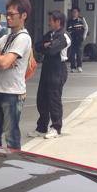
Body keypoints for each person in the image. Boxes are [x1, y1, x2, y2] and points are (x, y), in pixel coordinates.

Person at [0, 0, 33, 150]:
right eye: (7, 14)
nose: (8, 18)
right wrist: (2, 58)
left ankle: (14, 163)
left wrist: (0, 59)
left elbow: (3, 64)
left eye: (12, 14)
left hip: (13, 94)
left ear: (23, 15)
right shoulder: (5, 37)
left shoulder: (23, 38)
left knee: (11, 137)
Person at [30, 10, 70, 139]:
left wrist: (47, 46)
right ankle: (41, 127)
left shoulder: (64, 36)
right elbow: (37, 46)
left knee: (54, 99)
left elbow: (53, 50)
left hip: (58, 69)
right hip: (46, 68)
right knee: (41, 99)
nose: (49, 23)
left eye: (51, 20)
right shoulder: (49, 34)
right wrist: (45, 45)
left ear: (58, 22)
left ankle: (56, 127)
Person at [65, 7, 88, 73]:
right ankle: (72, 67)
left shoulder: (81, 20)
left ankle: (79, 66)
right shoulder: (69, 21)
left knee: (79, 53)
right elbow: (67, 30)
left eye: (75, 12)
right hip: (71, 39)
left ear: (78, 13)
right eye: (73, 12)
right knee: (72, 54)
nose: (74, 13)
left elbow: (86, 28)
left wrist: (84, 36)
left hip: (79, 39)